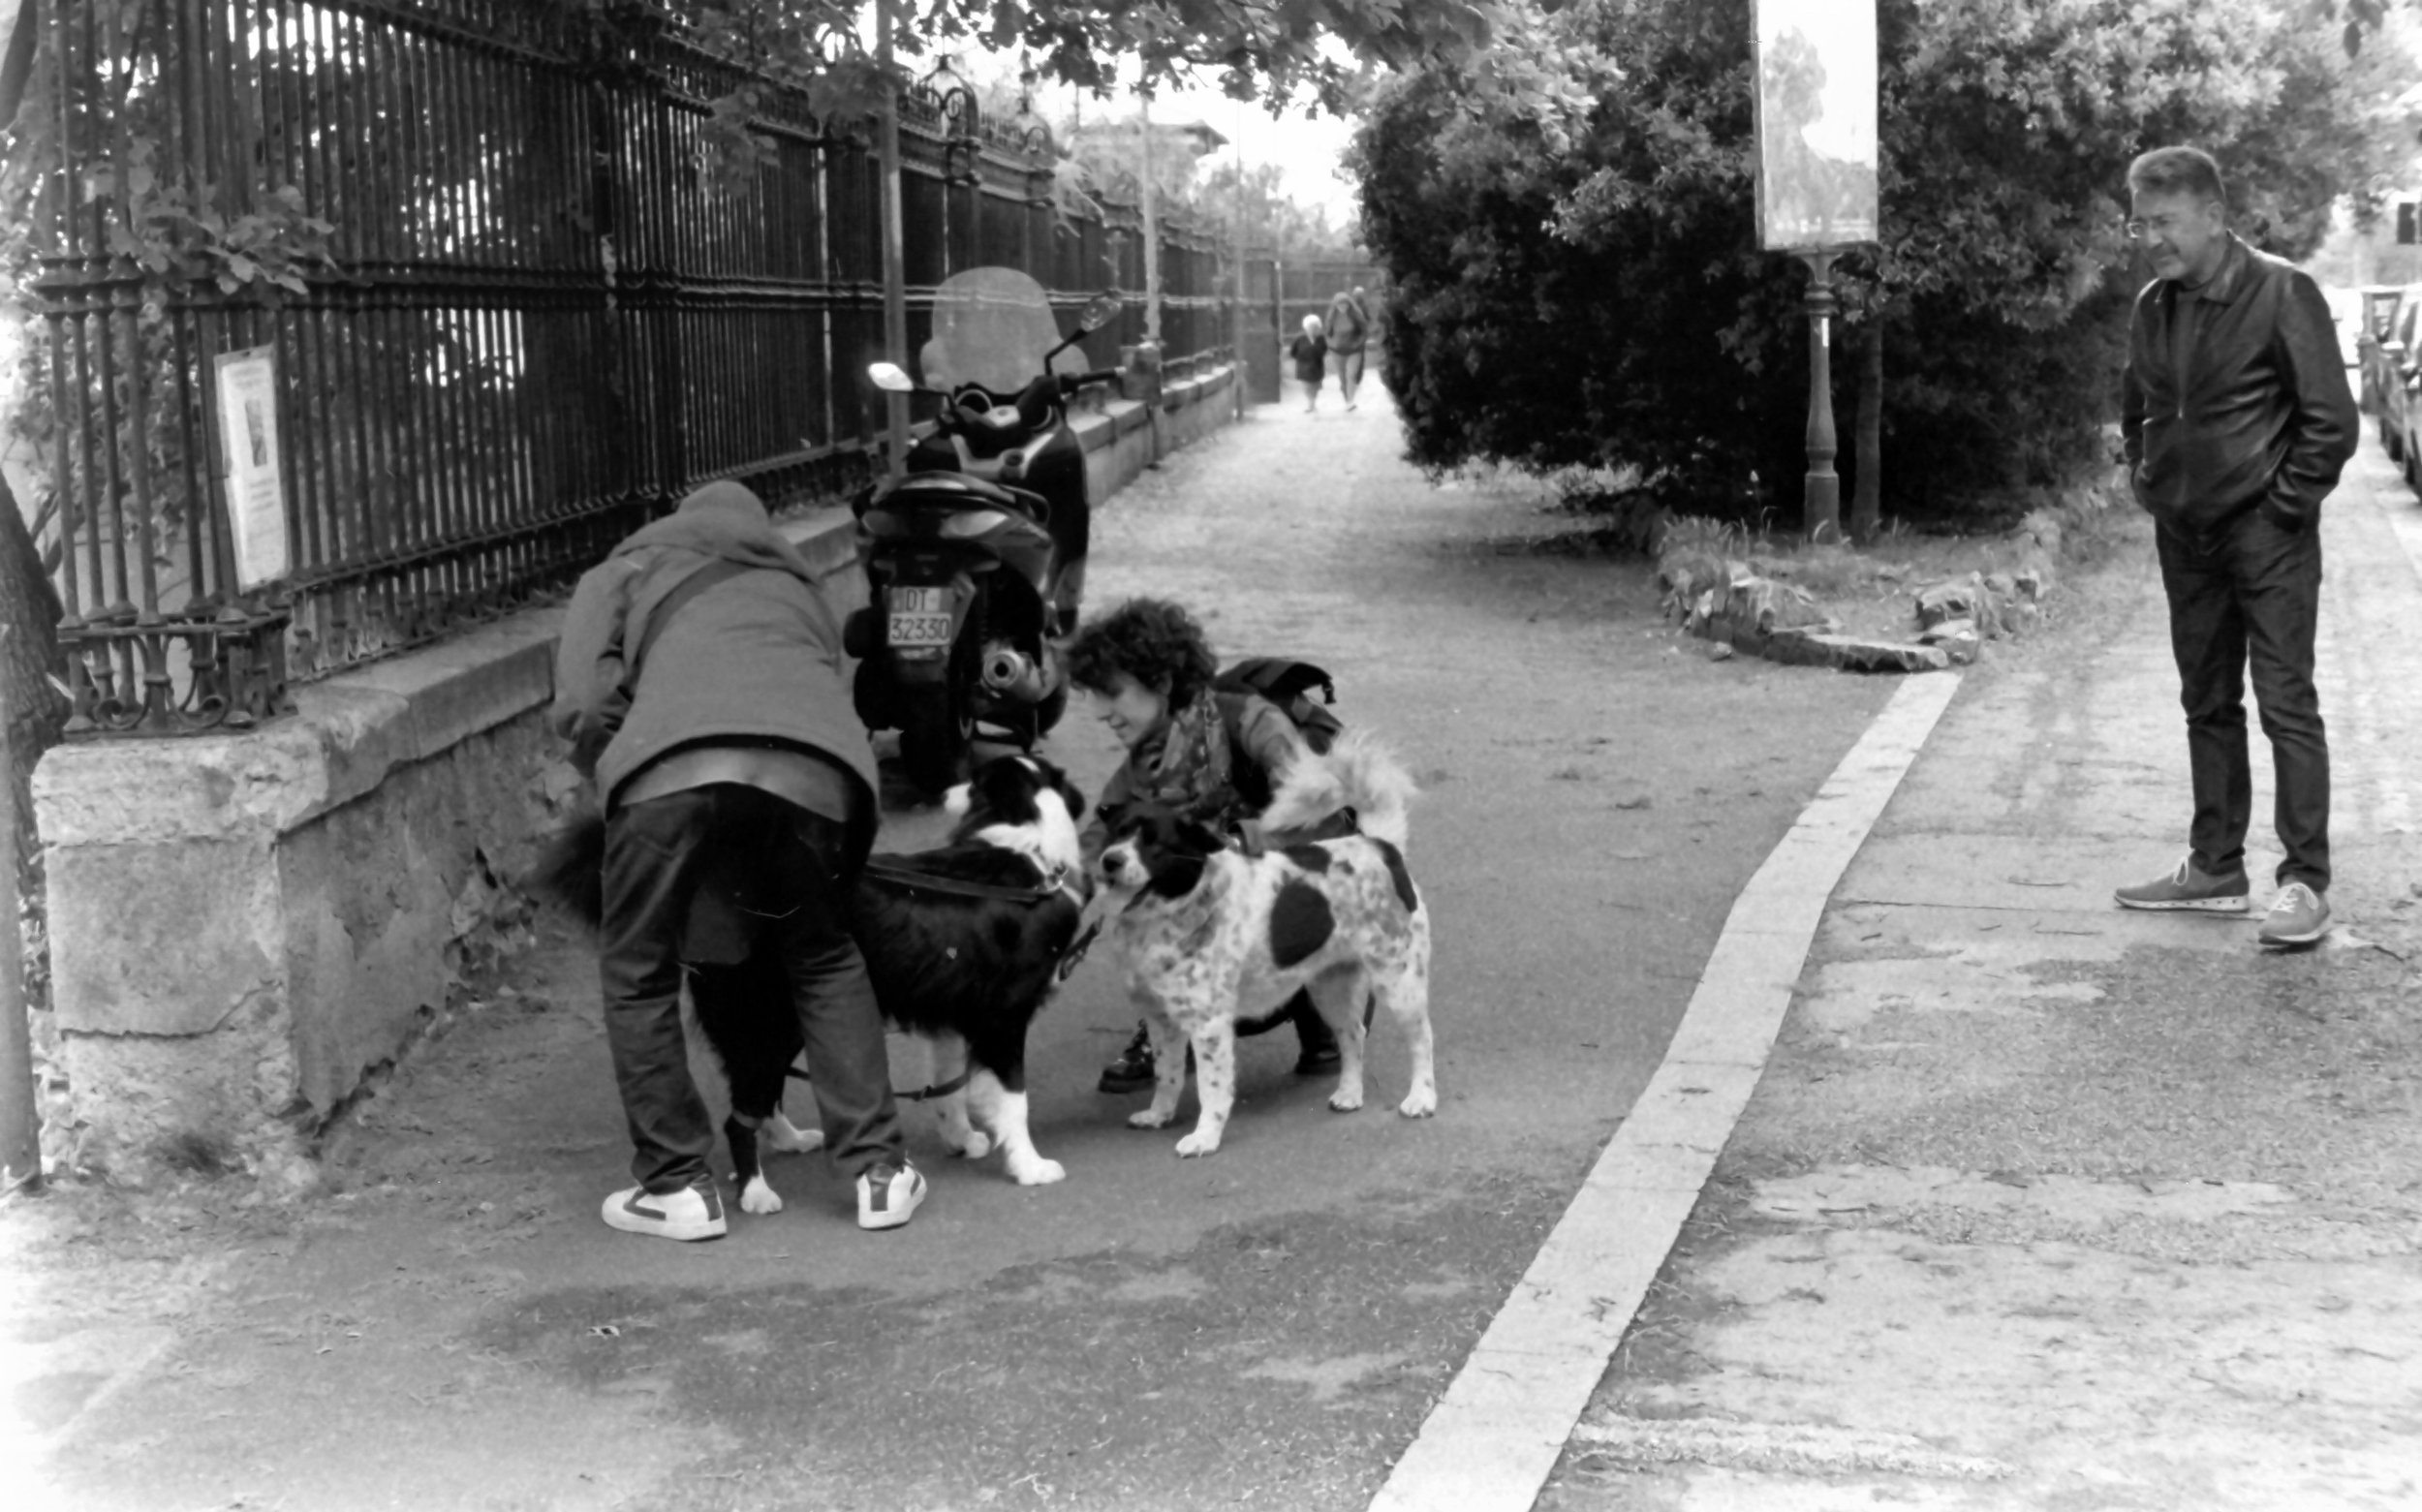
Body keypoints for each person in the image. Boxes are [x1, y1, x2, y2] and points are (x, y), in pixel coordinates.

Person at [552, 479, 926, 1241]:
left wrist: (624, 768)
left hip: (665, 773)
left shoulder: (624, 571)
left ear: (677, 521)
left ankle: (676, 1185)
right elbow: (821, 690)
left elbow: (586, 707)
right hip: (817, 773)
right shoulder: (798, 581)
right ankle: (879, 1172)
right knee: (822, 952)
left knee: (639, 968)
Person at [2114, 145, 2357, 948]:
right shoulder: (2153, 303)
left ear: (2214, 218)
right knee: (2206, 703)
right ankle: (2216, 864)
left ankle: (2304, 883)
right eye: (2141, 223)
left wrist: (2281, 509)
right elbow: (2141, 405)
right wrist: (2146, 476)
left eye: (2166, 222)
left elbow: (2331, 422)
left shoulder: (2283, 291)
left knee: (2287, 704)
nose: (2151, 238)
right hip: (2184, 534)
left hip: (2266, 534)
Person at [1068, 598, 1343, 1094]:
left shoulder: (1251, 722)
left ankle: (1321, 1010)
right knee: (1150, 884)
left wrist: (1236, 842)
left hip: (1295, 889)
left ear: (1163, 683)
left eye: (1112, 693)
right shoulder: (1144, 761)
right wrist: (1059, 889)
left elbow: (1318, 814)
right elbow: (1100, 835)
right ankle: (1167, 1023)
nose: (1101, 712)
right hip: (1227, 905)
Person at [1325, 285, 1372, 411]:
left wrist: (1359, 343)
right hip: (1337, 351)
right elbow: (1328, 333)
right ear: (1335, 305)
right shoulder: (1332, 317)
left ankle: (1351, 401)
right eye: (1340, 305)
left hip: (1354, 350)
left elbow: (1364, 330)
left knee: (1351, 374)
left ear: (1349, 304)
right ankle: (1347, 398)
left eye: (1345, 305)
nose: (1342, 307)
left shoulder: (1356, 315)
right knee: (1342, 376)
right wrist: (1331, 344)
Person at [1289, 315, 1328, 414]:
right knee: (1306, 386)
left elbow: (1324, 350)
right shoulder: (1299, 338)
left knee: (1315, 386)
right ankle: (1311, 404)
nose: (1313, 329)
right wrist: (1300, 358)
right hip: (1303, 366)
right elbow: (1292, 352)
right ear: (1306, 327)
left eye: (1315, 327)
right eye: (1310, 327)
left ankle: (1312, 402)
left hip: (1317, 366)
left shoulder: (1321, 339)